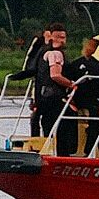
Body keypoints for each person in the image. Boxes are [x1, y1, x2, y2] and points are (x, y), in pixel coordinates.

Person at [31, 23, 77, 155]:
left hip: (43, 96)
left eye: (63, 37)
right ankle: (65, 153)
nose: (61, 40)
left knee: (47, 123)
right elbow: (55, 75)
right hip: (54, 96)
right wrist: (71, 84)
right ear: (50, 36)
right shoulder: (55, 53)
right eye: (58, 37)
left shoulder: (42, 52)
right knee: (67, 119)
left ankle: (47, 149)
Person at [65, 38, 99, 157]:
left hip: (95, 100)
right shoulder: (76, 65)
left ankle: (90, 149)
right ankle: (74, 148)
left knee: (96, 118)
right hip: (80, 98)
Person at [9, 29, 50, 135]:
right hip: (40, 88)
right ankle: (38, 138)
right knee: (37, 115)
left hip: (44, 90)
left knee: (40, 116)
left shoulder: (47, 51)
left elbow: (32, 68)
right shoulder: (41, 48)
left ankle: (44, 138)